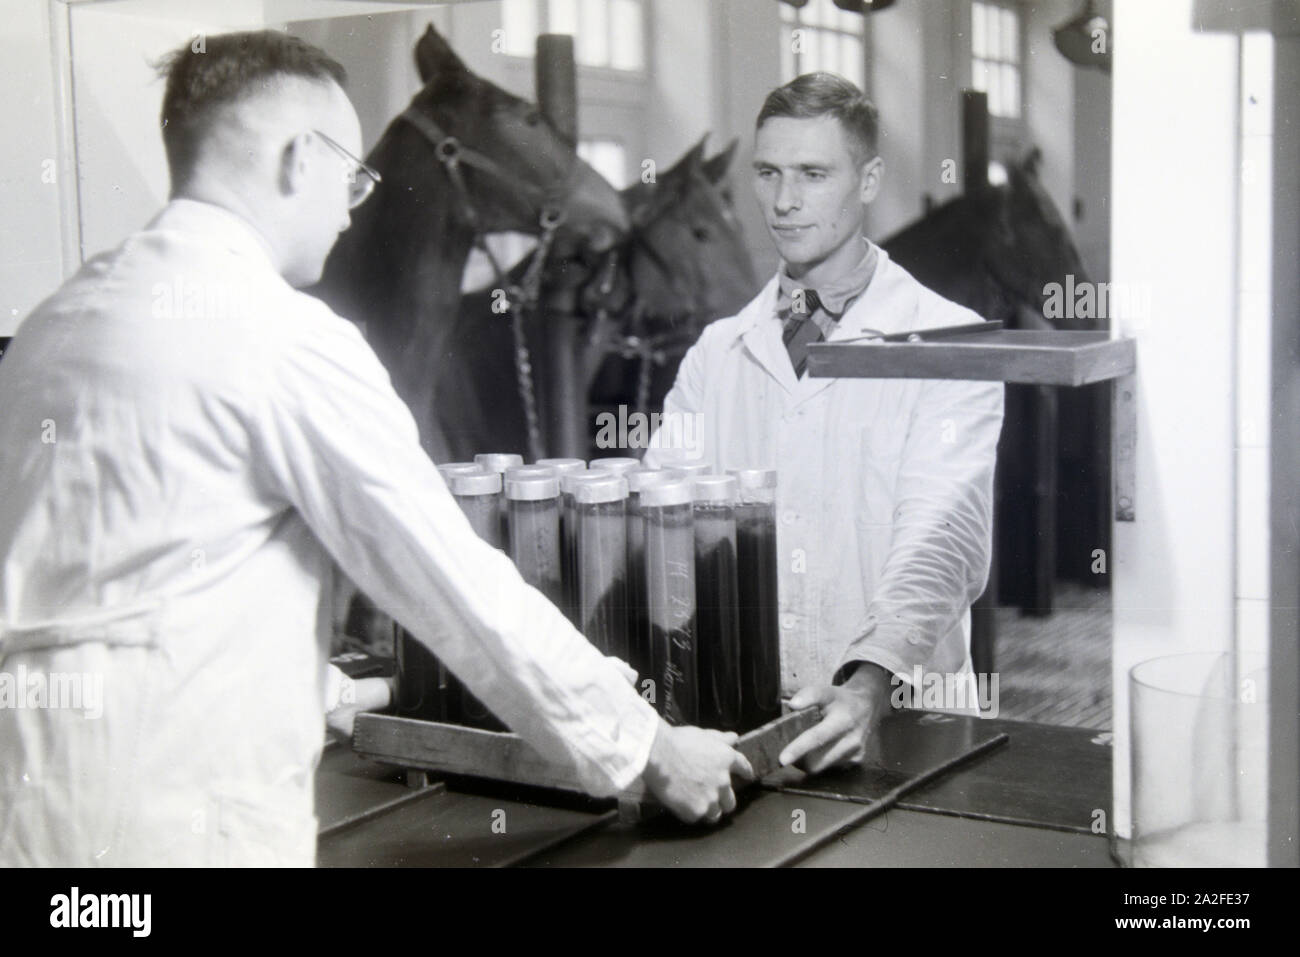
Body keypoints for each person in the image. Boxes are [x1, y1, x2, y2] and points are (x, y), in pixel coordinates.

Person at [0, 30, 750, 867]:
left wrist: (329, 690)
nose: (355, 202)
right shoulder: (278, 334)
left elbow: (137, 600)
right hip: (182, 826)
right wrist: (650, 748)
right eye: (351, 174)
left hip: (30, 821)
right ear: (295, 159)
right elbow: (449, 580)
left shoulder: (49, 328)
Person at [648, 73, 1005, 773]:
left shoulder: (949, 339)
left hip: (904, 723)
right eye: (768, 173)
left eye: (813, 174)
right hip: (749, 726)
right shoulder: (718, 352)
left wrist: (867, 682)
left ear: (868, 180)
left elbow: (943, 533)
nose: (783, 202)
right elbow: (663, 524)